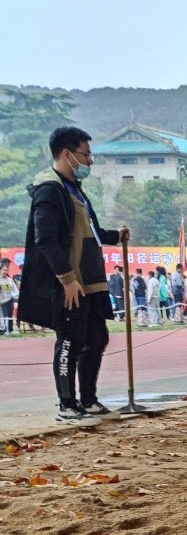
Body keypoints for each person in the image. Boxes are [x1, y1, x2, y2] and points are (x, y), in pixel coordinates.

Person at [16, 125, 128, 421]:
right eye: (86, 154)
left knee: (97, 338)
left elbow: (91, 231)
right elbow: (45, 240)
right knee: (70, 340)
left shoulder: (75, 189)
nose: (90, 161)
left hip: (91, 280)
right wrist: (66, 278)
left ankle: (88, 400)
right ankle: (67, 403)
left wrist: (116, 236)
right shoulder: (49, 190)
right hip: (69, 282)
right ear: (67, 154)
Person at [0, 259, 18, 334]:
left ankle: (10, 330)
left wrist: (15, 298)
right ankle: (4, 330)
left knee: (10, 315)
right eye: (4, 270)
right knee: (4, 316)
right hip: (1, 301)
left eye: (7, 270)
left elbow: (15, 290)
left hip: (10, 300)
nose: (5, 272)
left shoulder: (10, 280)